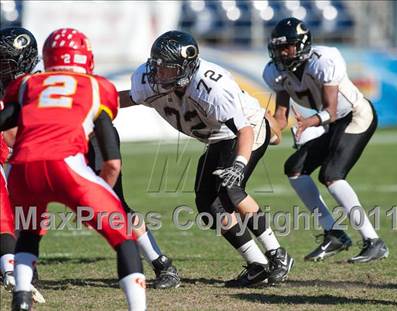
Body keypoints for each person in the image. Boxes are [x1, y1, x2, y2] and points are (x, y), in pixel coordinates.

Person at [119, 30, 294, 287]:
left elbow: (244, 130)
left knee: (231, 190)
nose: (158, 73)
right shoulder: (148, 80)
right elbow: (128, 98)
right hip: (218, 137)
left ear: (186, 67)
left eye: (166, 69)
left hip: (248, 128)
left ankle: (278, 255)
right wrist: (94, 104)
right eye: (157, 66)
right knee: (208, 206)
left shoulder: (212, 86)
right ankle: (257, 264)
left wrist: (239, 164)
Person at [0, 28, 146, 311]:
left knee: (28, 234)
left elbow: (7, 119)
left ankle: (21, 299)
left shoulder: (28, 84)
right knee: (123, 236)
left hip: (23, 170)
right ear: (85, 57)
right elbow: (112, 162)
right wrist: (96, 198)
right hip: (66, 164)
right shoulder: (96, 86)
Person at [263, 17, 389, 263]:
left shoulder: (324, 60)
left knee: (331, 175)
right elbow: (280, 115)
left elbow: (331, 111)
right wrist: (265, 133)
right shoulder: (274, 72)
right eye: (277, 48)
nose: (282, 53)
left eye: (286, 46)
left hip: (355, 115)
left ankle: (373, 241)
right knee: (295, 169)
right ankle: (334, 233)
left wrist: (308, 123)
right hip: (331, 123)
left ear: (301, 44)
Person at [88, 126, 181, 289]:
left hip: (94, 137)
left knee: (117, 209)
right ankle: (29, 271)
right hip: (69, 140)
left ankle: (163, 266)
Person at [0, 27, 45, 303]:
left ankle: (24, 263)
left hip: (42, 149)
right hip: (16, 148)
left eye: (6, 63)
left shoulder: (40, 83)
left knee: (27, 209)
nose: (2, 69)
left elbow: (17, 134)